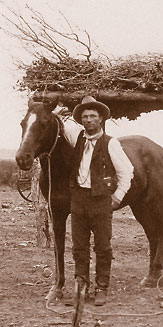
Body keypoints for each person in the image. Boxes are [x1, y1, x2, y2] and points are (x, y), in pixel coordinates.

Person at [60, 96, 134, 306]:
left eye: (93, 116)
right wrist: (55, 113)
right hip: (79, 200)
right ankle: (81, 286)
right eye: (85, 117)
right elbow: (62, 126)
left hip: (101, 201)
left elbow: (127, 172)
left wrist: (117, 197)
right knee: (79, 247)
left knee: (102, 246)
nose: (89, 120)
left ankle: (102, 287)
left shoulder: (111, 143)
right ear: (81, 120)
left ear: (100, 119)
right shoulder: (77, 139)